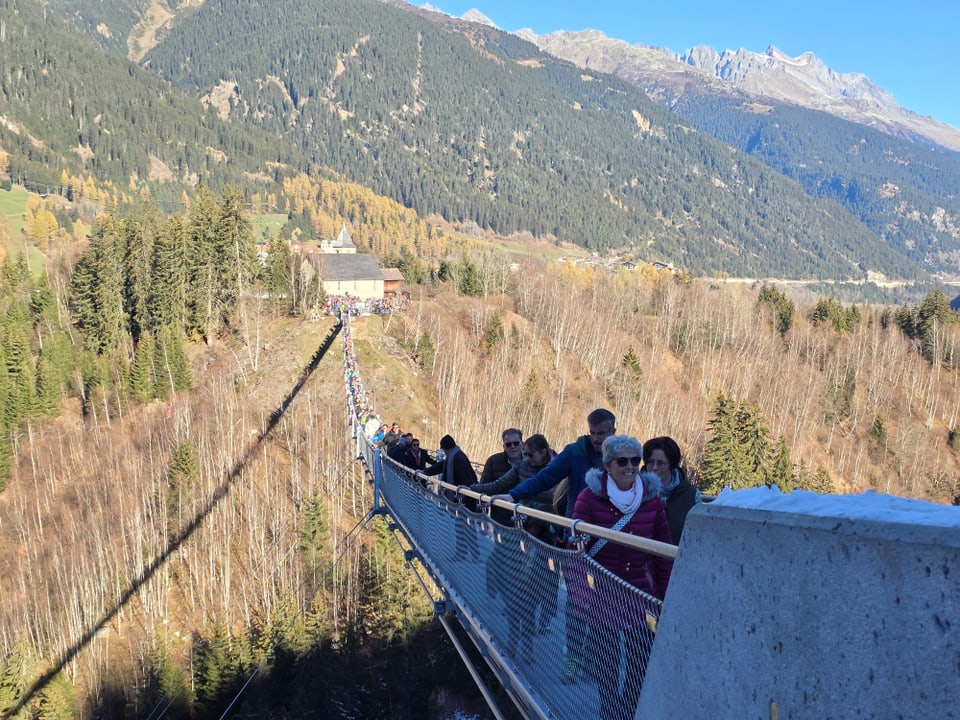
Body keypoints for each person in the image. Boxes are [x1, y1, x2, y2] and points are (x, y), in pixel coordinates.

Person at [569, 435, 673, 719]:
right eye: (622, 461)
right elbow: (575, 551)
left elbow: (662, 553)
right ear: (607, 464)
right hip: (603, 596)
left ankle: (628, 712)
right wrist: (582, 596)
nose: (630, 467)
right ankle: (609, 711)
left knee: (640, 666)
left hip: (640, 596)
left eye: (635, 461)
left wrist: (664, 599)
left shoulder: (651, 500)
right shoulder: (589, 498)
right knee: (607, 668)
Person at [491, 408, 616, 519]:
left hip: (610, 530)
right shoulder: (574, 452)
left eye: (600, 434)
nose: (595, 439)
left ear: (612, 431)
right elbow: (545, 477)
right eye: (592, 433)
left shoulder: (623, 456)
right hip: (577, 528)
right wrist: (513, 495)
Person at [424, 434, 480, 560]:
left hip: (463, 499)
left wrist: (464, 496)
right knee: (462, 525)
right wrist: (425, 472)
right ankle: (466, 552)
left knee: (465, 525)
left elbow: (466, 479)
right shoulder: (455, 456)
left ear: (445, 448)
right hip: (460, 498)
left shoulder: (457, 458)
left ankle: (471, 554)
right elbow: (440, 466)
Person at [642, 436, 701, 544]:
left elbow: (697, 533)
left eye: (660, 463)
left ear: (672, 465)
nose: (654, 467)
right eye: (650, 462)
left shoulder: (692, 496)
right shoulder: (634, 489)